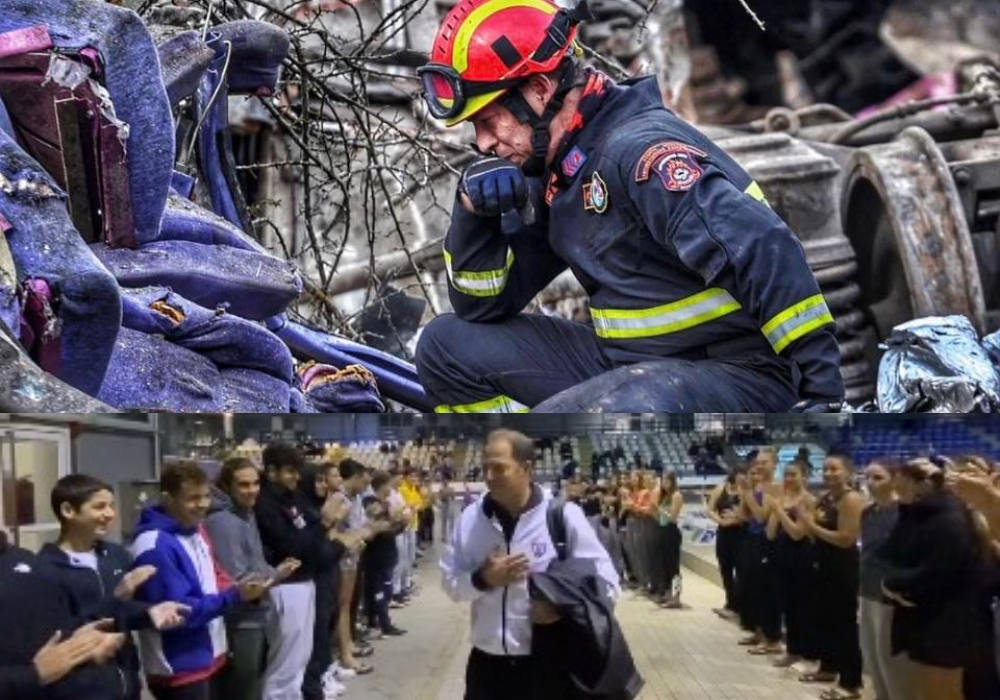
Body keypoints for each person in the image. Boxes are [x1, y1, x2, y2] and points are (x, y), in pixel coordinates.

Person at [413, 0, 843, 413]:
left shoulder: (641, 154)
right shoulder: (561, 169)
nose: (484, 142)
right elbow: (481, 306)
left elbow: (766, 249)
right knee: (444, 347)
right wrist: (475, 214)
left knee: (618, 410)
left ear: (540, 90)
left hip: (739, 375)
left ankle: (570, 468)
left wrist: (821, 393)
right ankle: (526, 472)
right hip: (628, 368)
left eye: (488, 121)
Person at [441, 429, 620, 700]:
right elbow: (450, 582)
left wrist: (561, 607)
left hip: (549, 665)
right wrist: (483, 579)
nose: (489, 477)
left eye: (499, 468)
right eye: (485, 467)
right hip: (488, 668)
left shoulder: (563, 517)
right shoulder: (470, 519)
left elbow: (607, 583)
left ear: (526, 469)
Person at [39, 475, 189, 700]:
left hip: (127, 683)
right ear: (68, 510)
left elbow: (124, 615)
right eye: (100, 507)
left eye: (111, 506)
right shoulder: (45, 568)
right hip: (80, 689)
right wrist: (116, 597)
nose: (110, 514)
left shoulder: (116, 555)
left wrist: (150, 613)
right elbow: (59, 634)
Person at [130, 462, 271, 700]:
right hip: (180, 666)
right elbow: (179, 612)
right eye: (193, 498)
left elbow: (213, 581)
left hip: (211, 655)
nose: (203, 504)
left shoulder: (196, 531)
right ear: (168, 498)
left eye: (206, 496)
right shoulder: (155, 544)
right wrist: (236, 596)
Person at [881, 458, 999, 700]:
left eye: (973, 475)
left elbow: (940, 570)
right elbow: (895, 552)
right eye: (960, 474)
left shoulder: (957, 519)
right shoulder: (942, 513)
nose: (966, 481)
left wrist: (897, 584)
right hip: (950, 618)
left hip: (954, 621)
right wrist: (906, 503)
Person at [253, 443, 352, 700]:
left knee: (299, 659)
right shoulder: (265, 503)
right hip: (285, 587)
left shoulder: (291, 495)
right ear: (271, 470)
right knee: (284, 664)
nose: (296, 477)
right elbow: (293, 547)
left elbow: (311, 538)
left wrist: (324, 525)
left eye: (297, 471)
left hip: (306, 582)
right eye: (289, 471)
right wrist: (326, 521)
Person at [203, 458, 301, 700]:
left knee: (253, 684)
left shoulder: (246, 513)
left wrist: (274, 570)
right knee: (242, 687)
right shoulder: (223, 522)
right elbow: (238, 581)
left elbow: (254, 563)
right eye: (243, 485)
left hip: (256, 616)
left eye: (255, 483)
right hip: (240, 621)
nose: (252, 490)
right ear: (227, 486)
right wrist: (276, 575)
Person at [0, 528, 127, 700]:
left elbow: (49, 625)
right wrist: (34, 675)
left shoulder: (25, 560)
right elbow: (40, 670)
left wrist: (76, 639)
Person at [798, 450, 865, 700]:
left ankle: (851, 682)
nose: (828, 473)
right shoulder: (825, 498)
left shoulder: (851, 499)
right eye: (825, 469)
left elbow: (846, 539)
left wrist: (811, 525)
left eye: (834, 469)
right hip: (821, 566)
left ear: (847, 472)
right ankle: (828, 667)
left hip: (842, 569)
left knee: (844, 624)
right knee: (824, 619)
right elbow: (813, 528)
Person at [856, 458, 913, 700]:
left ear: (895, 479)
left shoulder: (904, 513)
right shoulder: (868, 512)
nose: (870, 483)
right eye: (867, 477)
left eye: (878, 478)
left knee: (891, 661)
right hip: (866, 589)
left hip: (889, 594)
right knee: (871, 658)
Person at [764, 460, 817, 669]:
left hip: (801, 557)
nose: (788, 479)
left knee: (802, 606)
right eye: (786, 474)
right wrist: (777, 509)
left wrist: (778, 509)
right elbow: (769, 533)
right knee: (788, 606)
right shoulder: (782, 500)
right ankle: (793, 649)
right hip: (782, 557)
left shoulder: (809, 501)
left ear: (804, 477)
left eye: (793, 474)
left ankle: (805, 650)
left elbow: (797, 533)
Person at [361, 472, 409, 638]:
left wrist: (401, 523)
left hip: (386, 553)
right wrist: (395, 520)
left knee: (382, 590)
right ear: (382, 486)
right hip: (377, 556)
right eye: (389, 485)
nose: (391, 489)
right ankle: (383, 623)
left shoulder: (385, 504)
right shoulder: (371, 502)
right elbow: (380, 527)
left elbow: (391, 529)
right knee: (380, 590)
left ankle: (376, 621)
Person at [706, 467, 743, 620]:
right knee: (725, 569)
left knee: (741, 570)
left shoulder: (744, 492)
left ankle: (740, 604)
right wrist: (720, 521)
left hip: (740, 534)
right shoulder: (720, 489)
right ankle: (730, 602)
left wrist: (734, 520)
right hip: (724, 533)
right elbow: (709, 509)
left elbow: (747, 514)